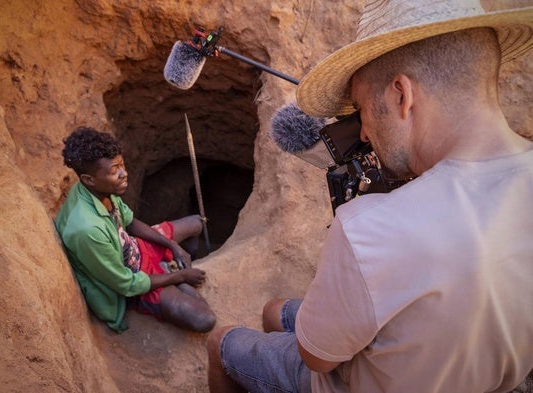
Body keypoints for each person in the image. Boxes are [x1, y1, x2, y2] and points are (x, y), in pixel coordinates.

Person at [207, 1, 533, 392]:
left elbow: (317, 358)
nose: (362, 134)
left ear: (401, 95)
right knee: (275, 313)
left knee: (220, 341)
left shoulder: (370, 227)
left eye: (361, 109)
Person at [55, 126, 216, 333]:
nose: (124, 174)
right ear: (88, 179)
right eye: (114, 171)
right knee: (204, 319)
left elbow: (130, 222)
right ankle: (173, 274)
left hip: (135, 249)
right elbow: (125, 284)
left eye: (121, 165)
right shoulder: (87, 230)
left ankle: (177, 265)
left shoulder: (98, 189)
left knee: (197, 222)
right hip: (135, 278)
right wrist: (181, 278)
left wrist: (172, 245)